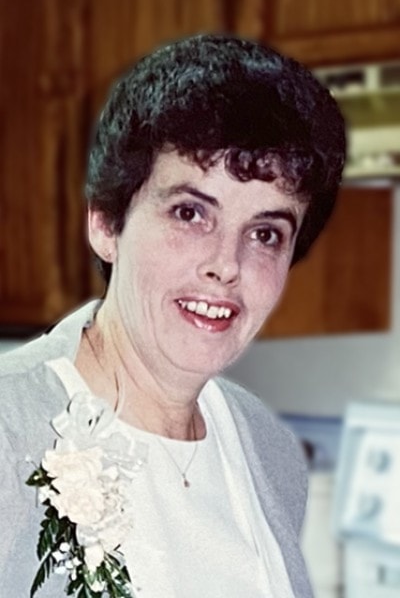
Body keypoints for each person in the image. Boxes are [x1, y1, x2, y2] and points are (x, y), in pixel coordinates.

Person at [0, 34, 345, 598]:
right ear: (106, 224)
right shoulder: (8, 427)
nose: (226, 265)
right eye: (190, 213)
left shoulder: (271, 451)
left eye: (265, 233)